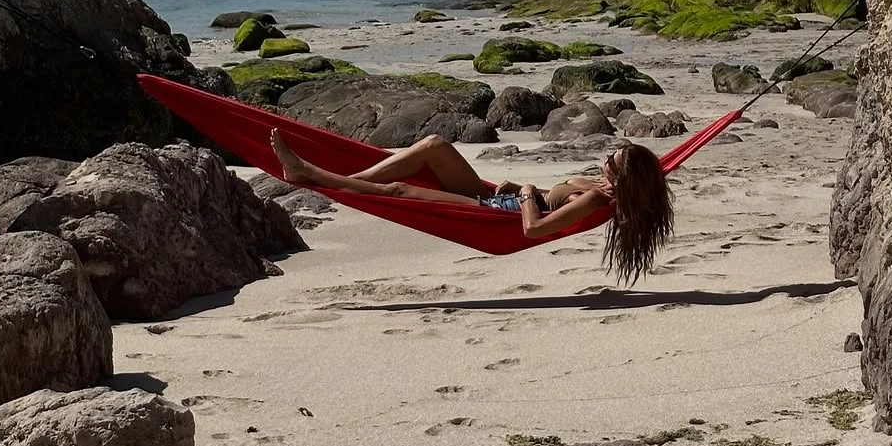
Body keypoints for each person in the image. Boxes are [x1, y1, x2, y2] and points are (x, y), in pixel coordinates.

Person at [271, 129, 674, 285]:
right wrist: (523, 187)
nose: (607, 158)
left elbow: (533, 229)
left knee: (399, 191)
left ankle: (310, 173)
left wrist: (527, 193)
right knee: (433, 146)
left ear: (623, 179)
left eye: (614, 160)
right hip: (493, 199)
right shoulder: (602, 186)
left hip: (493, 217)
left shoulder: (594, 199)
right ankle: (347, 176)